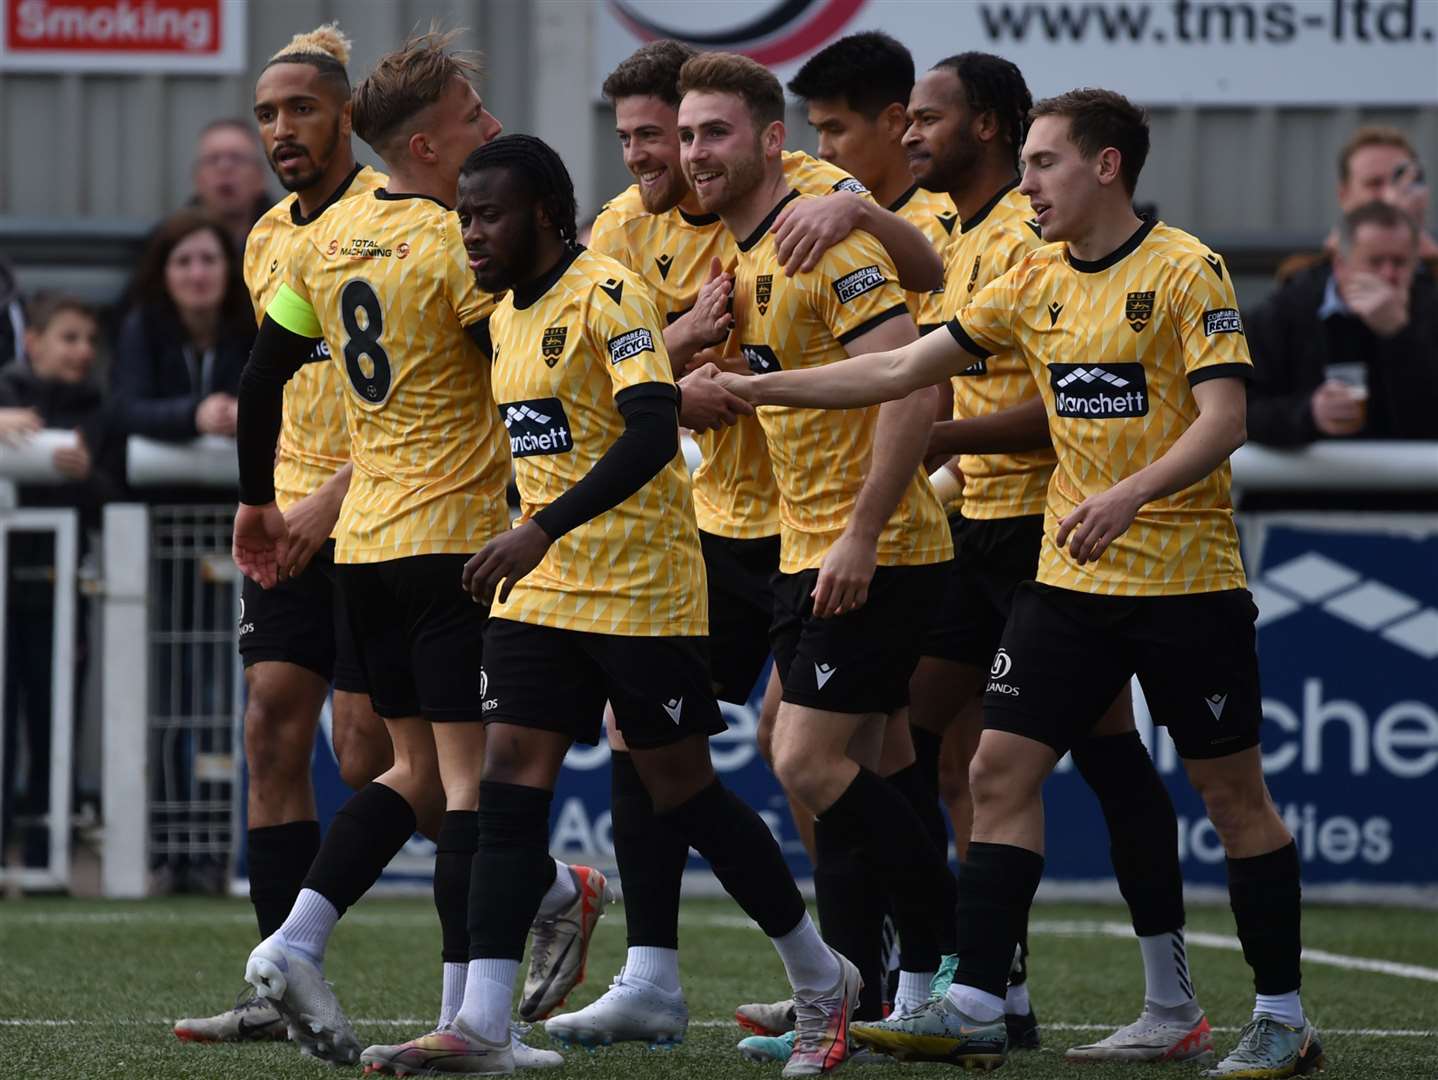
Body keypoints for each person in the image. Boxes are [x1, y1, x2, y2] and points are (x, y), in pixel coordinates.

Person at [717, 87, 1324, 1080]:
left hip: (1185, 582)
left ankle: (1278, 1015)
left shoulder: (1185, 270)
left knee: (1231, 794)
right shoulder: (1030, 276)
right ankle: (971, 1003)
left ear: (1105, 167)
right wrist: (760, 386)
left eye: (1044, 164)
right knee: (995, 772)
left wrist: (1128, 494)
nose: (1028, 183)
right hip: (1066, 581)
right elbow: (899, 370)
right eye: (1028, 162)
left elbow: (1223, 422)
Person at [376, 131, 860, 1080]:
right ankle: (482, 1024)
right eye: (465, 214)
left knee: (684, 789)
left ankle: (820, 976)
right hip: (542, 593)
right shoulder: (508, 312)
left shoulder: (610, 293)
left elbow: (649, 430)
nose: (472, 230)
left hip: (640, 592)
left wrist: (537, 526)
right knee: (509, 783)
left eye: (490, 213)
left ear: (546, 215)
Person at [545, 37, 946, 1053]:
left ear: (764, 142)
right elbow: (616, 380)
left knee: (827, 753)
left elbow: (916, 347)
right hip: (733, 524)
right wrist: (682, 360)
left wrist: (857, 210)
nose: (662, 154)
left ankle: (923, 972)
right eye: (651, 135)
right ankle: (666, 975)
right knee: (655, 729)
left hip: (831, 528)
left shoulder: (813, 214)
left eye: (684, 134)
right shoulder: (639, 235)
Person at [230, 32, 578, 1070]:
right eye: (475, 117)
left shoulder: (322, 246)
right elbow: (524, 378)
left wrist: (257, 502)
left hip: (366, 545)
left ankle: (294, 940)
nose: (491, 130)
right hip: (453, 544)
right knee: (468, 787)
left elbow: (259, 381)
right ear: (429, 144)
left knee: (409, 773)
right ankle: (475, 1024)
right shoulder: (459, 248)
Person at [679, 47, 961, 1045]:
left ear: (770, 142)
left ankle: (944, 971)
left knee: (802, 758)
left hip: (872, 551)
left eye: (713, 133)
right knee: (868, 768)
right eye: (684, 135)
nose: (693, 153)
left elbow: (913, 385)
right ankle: (891, 1000)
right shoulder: (741, 256)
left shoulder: (820, 242)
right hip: (804, 546)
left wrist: (860, 532)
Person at [170, 23, 394, 1047]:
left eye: (299, 109)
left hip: (386, 507)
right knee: (269, 722)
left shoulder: (398, 221)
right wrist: (261, 495)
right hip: (293, 515)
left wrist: (331, 499)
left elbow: (432, 403)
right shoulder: (266, 237)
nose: (280, 129)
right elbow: (274, 388)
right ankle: (277, 981)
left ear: (347, 114)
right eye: (266, 114)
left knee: (369, 755)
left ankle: (533, 888)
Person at [0, 295, 120, 870]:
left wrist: (84, 475)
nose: (83, 352)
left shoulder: (100, 409)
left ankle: (51, 850)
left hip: (61, 589)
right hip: (7, 588)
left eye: (90, 341)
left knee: (56, 718)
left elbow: (115, 494)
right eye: (70, 338)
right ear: (33, 342)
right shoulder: (5, 395)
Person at [1247, 199, 1438, 446]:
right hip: (1308, 482)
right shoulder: (1287, 310)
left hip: (1407, 480)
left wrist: (1400, 336)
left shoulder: (1429, 309)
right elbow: (1239, 409)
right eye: (1375, 262)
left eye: (1400, 263)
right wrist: (1309, 413)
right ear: (1340, 265)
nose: (1389, 274)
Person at [111, 211, 251, 444]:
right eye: (183, 262)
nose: (198, 275)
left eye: (209, 260)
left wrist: (251, 412)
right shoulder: (142, 326)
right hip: (157, 477)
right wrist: (194, 415)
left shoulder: (256, 324)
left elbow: (291, 401)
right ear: (163, 273)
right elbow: (124, 409)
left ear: (229, 267)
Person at [1277, 126, 1438, 280]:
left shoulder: (1431, 265)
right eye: (1375, 183)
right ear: (1344, 195)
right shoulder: (1303, 275)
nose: (1390, 195)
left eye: (1399, 181)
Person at [189, 118, 272, 251]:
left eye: (237, 158)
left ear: (260, 177)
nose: (224, 167)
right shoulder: (167, 246)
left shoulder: (289, 241)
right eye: (213, 159)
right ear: (198, 178)